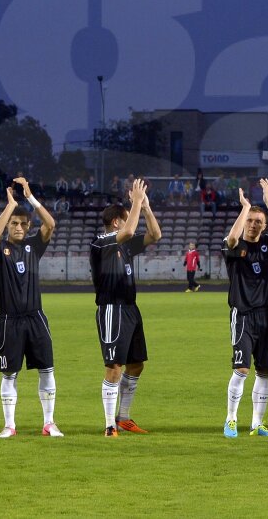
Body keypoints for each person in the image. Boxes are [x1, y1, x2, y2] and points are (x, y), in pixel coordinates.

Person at [0, 178, 60, 438]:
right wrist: (10, 206)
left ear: (28, 226)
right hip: (9, 321)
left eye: (23, 224)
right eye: (14, 223)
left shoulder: (33, 247)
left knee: (46, 370)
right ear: (8, 224)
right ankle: (9, 425)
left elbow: (50, 224)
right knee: (9, 374)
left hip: (36, 318)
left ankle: (49, 423)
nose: (19, 227)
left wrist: (30, 198)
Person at [90, 179, 163, 437]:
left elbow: (155, 235)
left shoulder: (124, 245)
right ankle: (109, 425)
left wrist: (146, 207)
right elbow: (130, 231)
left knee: (136, 365)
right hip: (112, 308)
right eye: (126, 218)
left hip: (131, 308)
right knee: (114, 366)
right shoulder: (101, 241)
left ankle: (123, 417)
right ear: (116, 222)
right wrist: (136, 202)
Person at [222, 179, 268, 438]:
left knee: (264, 370)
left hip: (266, 315)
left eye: (258, 221)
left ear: (264, 225)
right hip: (243, 314)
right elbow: (231, 239)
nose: (253, 224)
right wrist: (245, 207)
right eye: (250, 220)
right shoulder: (234, 245)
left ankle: (257, 424)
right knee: (241, 369)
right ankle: (230, 420)